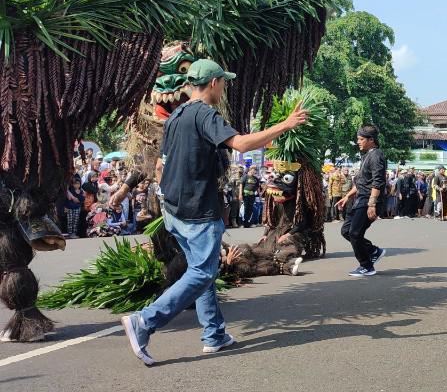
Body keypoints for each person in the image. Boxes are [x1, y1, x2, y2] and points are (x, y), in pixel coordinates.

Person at [121, 59, 308, 366]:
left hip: (174, 209)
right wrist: (286, 124)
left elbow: (159, 166)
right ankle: (144, 321)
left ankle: (214, 334)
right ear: (213, 83)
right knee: (203, 272)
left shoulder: (176, 115)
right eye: (223, 82)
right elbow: (242, 144)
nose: (224, 87)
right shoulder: (205, 115)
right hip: (197, 210)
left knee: (200, 268)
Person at [337, 125, 388, 277]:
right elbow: (362, 181)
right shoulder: (367, 155)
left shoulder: (376, 155)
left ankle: (366, 266)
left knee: (355, 233)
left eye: (361, 139)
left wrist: (372, 204)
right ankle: (373, 251)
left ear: (371, 140)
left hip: (369, 200)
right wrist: (347, 196)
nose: (358, 142)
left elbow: (377, 182)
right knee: (346, 231)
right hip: (360, 198)